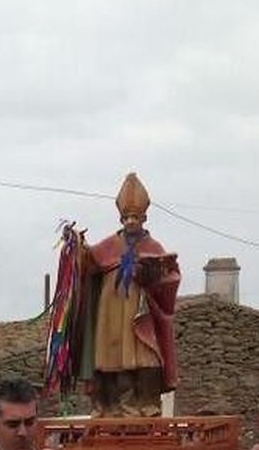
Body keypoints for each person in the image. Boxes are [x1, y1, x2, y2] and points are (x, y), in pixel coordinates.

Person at [63, 173, 180, 416]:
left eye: (135, 217)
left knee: (147, 359)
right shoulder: (109, 245)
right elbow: (88, 263)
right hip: (109, 312)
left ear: (144, 218)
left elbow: (170, 277)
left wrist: (152, 274)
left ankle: (145, 405)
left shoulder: (153, 247)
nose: (130, 222)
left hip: (139, 313)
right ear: (120, 218)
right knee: (109, 361)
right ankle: (109, 406)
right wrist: (76, 245)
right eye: (126, 217)